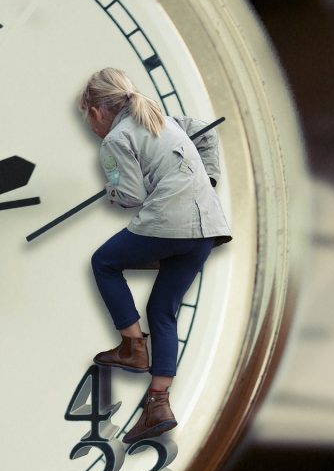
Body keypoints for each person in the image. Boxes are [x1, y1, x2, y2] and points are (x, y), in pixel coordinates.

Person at [79, 67, 231, 444]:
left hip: (169, 223)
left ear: (97, 110)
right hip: (207, 227)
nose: (87, 122)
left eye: (85, 113)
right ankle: (158, 404)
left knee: (104, 263)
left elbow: (130, 197)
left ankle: (133, 348)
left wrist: (111, 189)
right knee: (163, 309)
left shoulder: (115, 139)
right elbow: (205, 128)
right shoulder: (161, 117)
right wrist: (206, 180)